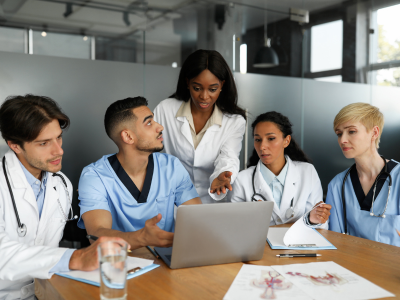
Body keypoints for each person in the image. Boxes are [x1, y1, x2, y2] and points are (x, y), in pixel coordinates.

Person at [0, 95, 125, 300]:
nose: (59, 150)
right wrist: (75, 258)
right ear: (15, 145)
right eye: (43, 143)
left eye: (58, 137)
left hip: (47, 290)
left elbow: (57, 235)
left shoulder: (61, 183)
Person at [78, 97, 202, 249]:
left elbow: (198, 219)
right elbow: (96, 235)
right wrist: (143, 238)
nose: (160, 127)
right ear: (128, 136)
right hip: (121, 264)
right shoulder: (94, 177)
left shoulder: (171, 166)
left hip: (168, 262)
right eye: (149, 123)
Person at [154, 50, 246, 203]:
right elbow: (148, 148)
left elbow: (229, 157)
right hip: (172, 200)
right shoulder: (166, 109)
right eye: (197, 88)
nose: (204, 96)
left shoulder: (235, 121)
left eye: (212, 89)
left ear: (222, 85)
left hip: (211, 202)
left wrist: (222, 175)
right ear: (187, 82)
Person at [230, 112, 331, 227]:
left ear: (286, 141)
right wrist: (251, 218)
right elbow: (235, 227)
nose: (262, 146)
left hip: (299, 244)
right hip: (259, 245)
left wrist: (313, 219)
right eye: (258, 139)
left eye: (271, 138)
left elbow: (320, 225)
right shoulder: (242, 179)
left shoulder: (308, 172)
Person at [326, 103, 400, 246]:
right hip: (350, 266)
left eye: (351, 131)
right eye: (339, 133)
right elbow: (334, 239)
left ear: (374, 133)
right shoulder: (337, 185)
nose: (342, 140)